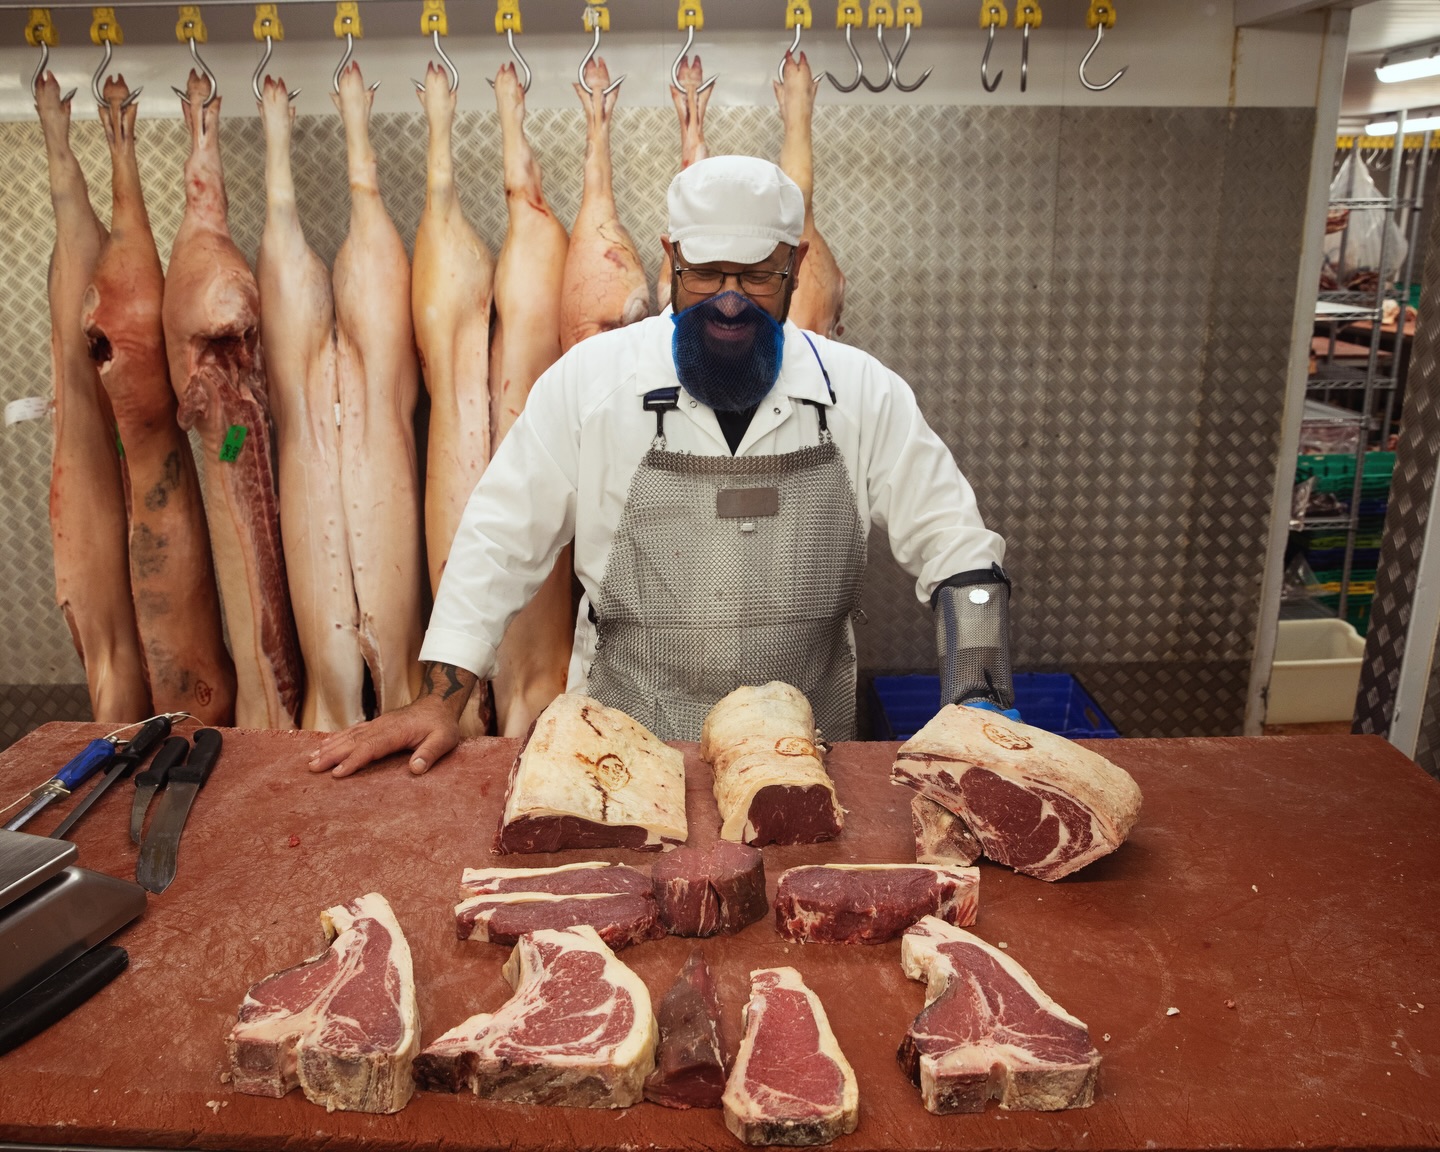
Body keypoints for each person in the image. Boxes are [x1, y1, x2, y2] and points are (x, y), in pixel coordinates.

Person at [310, 155, 1013, 779]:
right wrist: (440, 702)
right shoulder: (591, 382)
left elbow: (961, 558)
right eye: (706, 274)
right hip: (618, 756)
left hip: (803, 764)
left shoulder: (862, 393)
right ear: (669, 256)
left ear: (796, 264)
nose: (730, 300)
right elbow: (498, 539)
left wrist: (980, 701)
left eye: (758, 276)